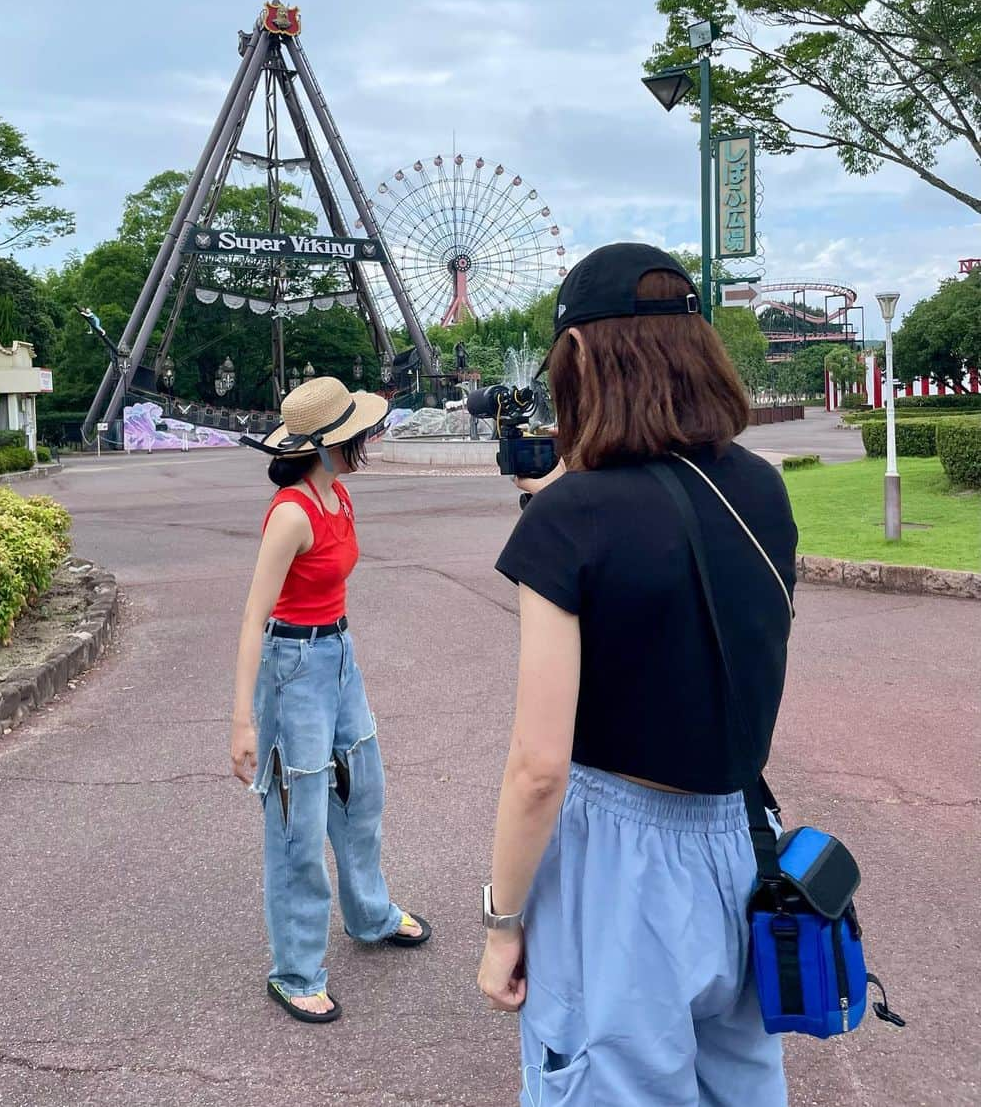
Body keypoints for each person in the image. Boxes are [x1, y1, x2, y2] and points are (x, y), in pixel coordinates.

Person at [476, 244, 798, 1105]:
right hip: (741, 837)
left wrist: (502, 921)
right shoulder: (763, 490)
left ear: (580, 354)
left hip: (616, 859)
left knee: (604, 1077)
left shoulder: (570, 518)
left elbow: (539, 768)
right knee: (742, 1084)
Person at [231, 375, 430, 1024]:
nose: (363, 441)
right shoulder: (292, 512)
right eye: (352, 435)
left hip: (338, 653)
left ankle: (369, 914)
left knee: (363, 787)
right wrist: (243, 721)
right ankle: (294, 970)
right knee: (299, 814)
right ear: (320, 446)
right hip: (292, 665)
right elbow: (254, 615)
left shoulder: (338, 496)